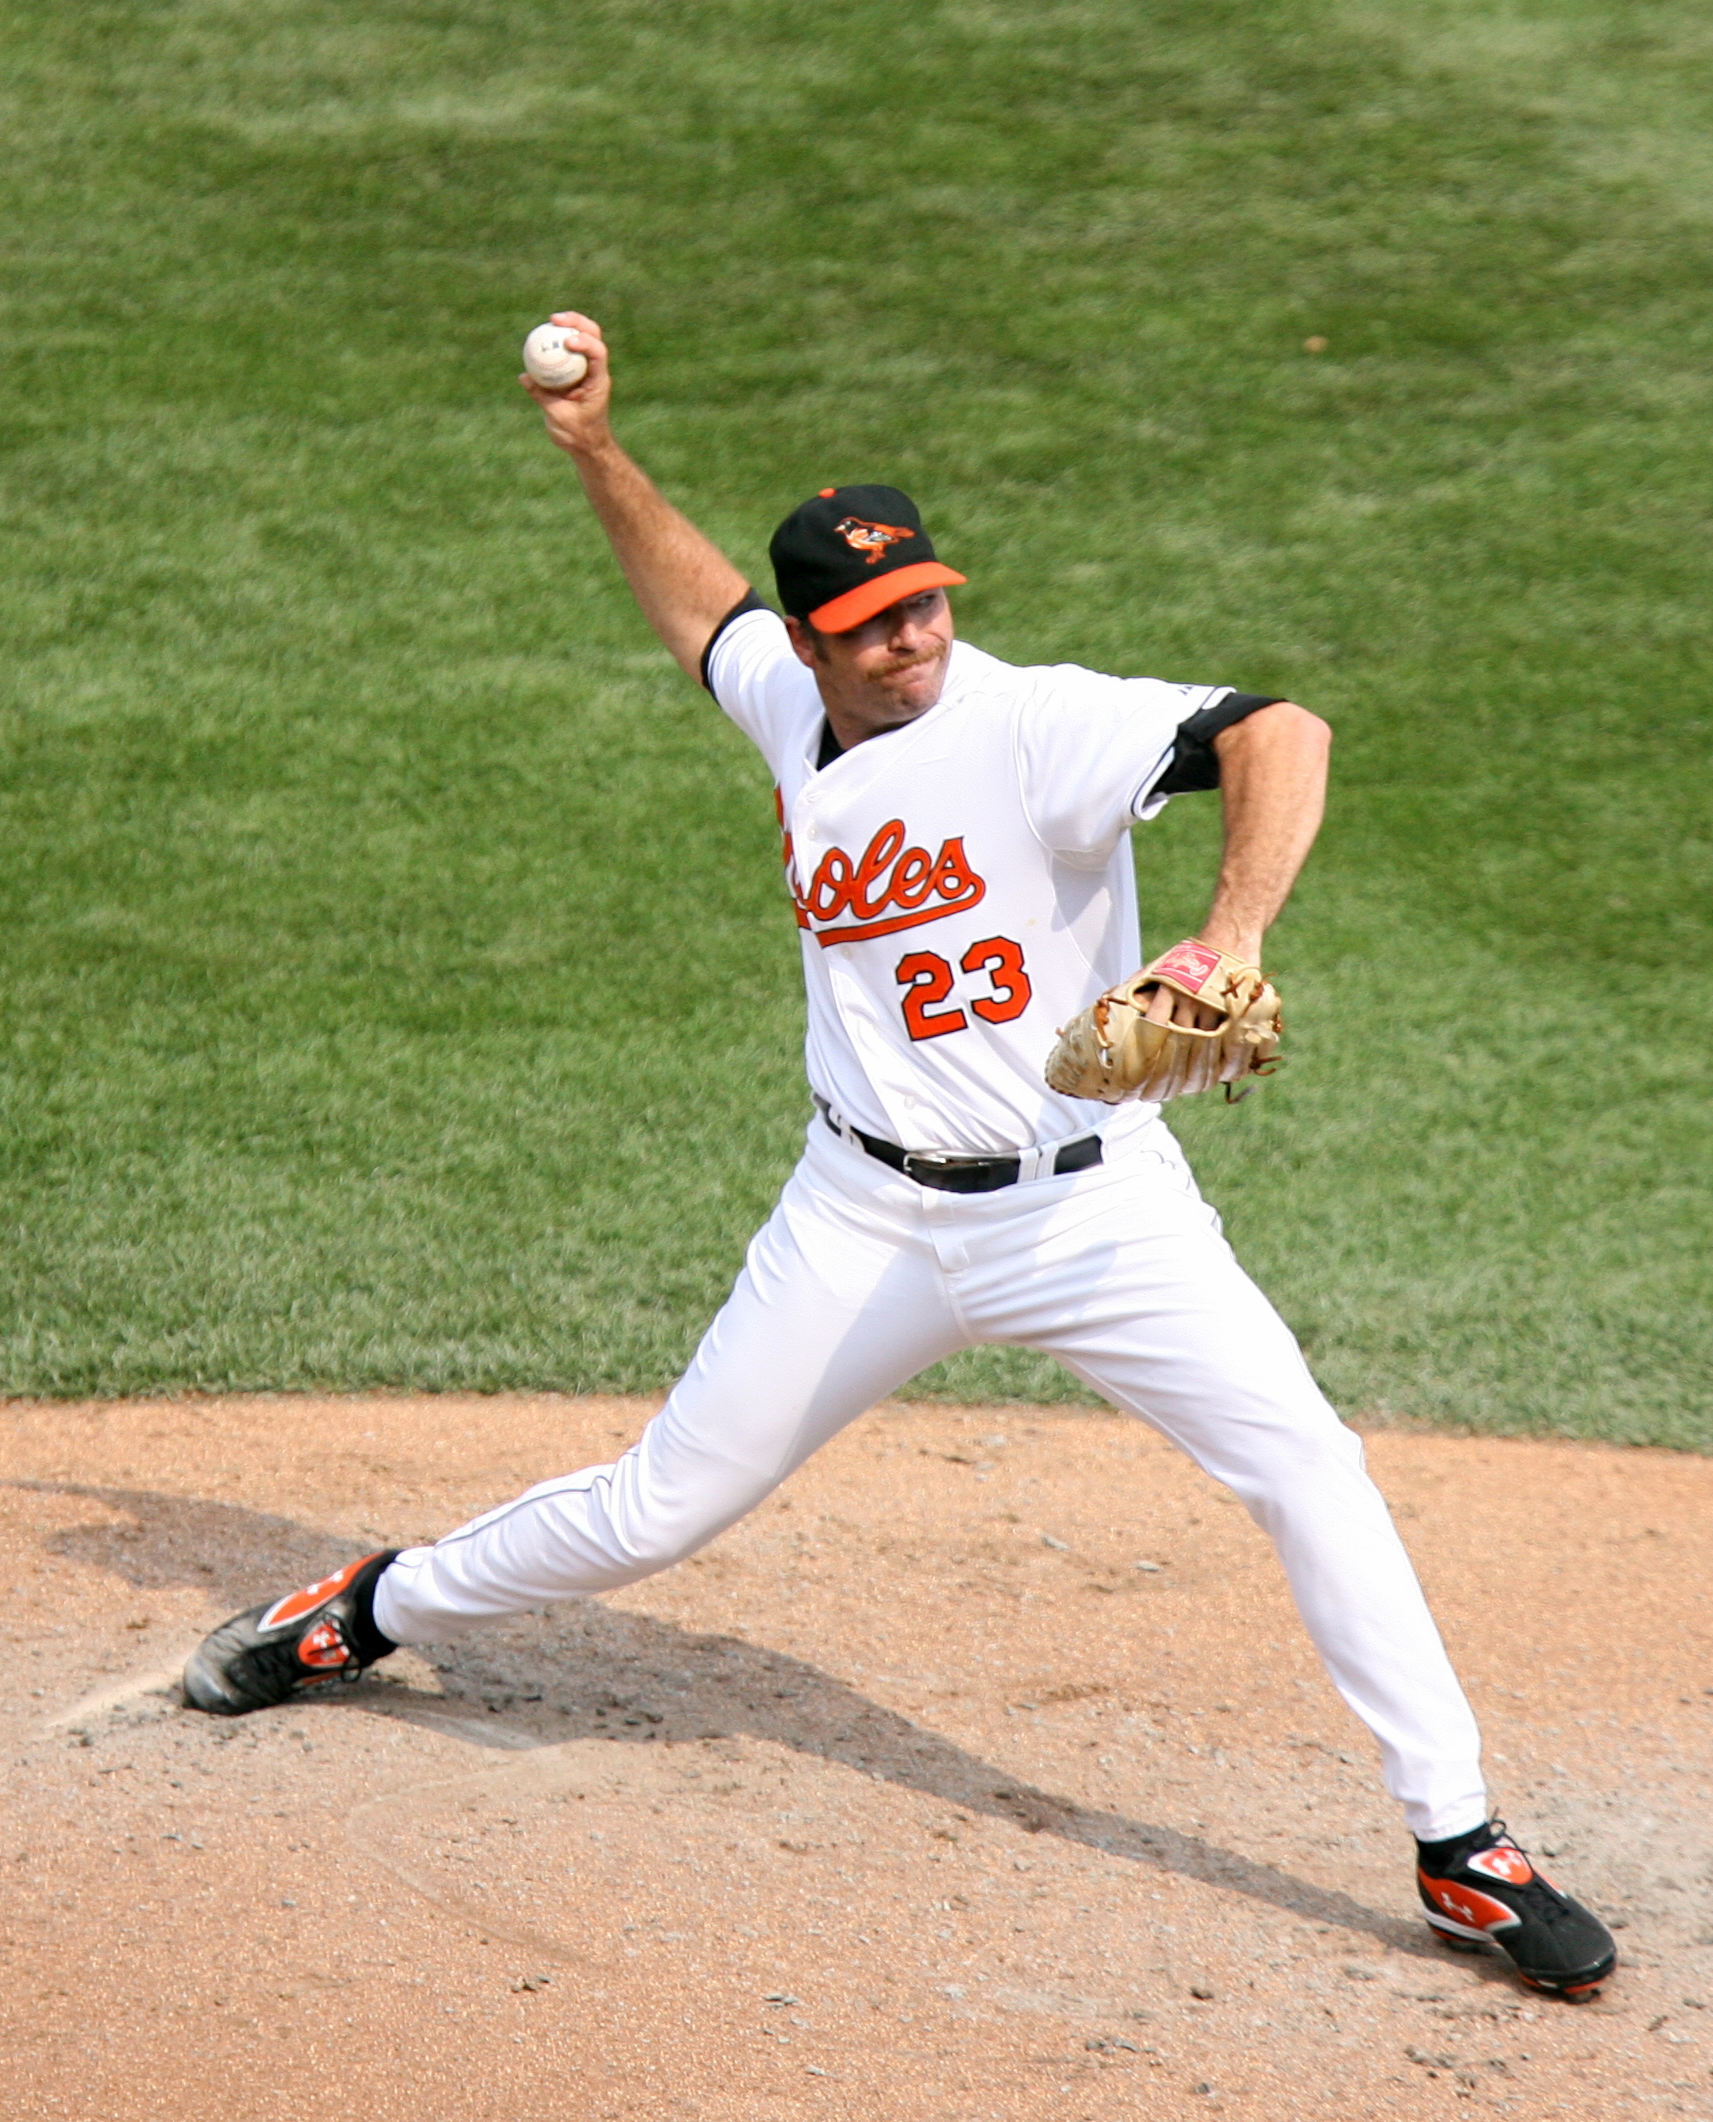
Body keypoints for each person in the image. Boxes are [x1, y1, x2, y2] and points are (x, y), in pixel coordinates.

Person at [183, 313, 1615, 2000]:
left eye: (929, 603)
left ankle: (1459, 1843)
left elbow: (1281, 729)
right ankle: (375, 1604)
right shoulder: (794, 702)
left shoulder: (1034, 723)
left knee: (1311, 1466)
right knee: (660, 1505)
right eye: (873, 626)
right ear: (819, 641)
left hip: (1097, 1210)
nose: (917, 641)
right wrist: (593, 453)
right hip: (861, 1212)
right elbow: (700, 611)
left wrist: (1224, 934)